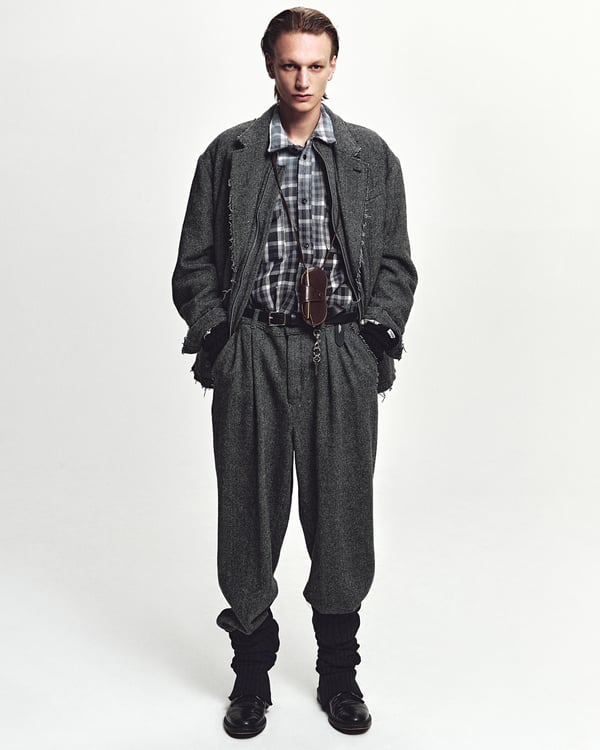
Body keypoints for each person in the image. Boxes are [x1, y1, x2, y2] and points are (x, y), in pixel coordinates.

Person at [172, 6, 417, 739]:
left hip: (340, 350)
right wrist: (219, 334)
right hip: (255, 346)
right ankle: (251, 676)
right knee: (247, 509)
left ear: (333, 66)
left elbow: (396, 262)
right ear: (270, 66)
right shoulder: (231, 153)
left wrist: (376, 332)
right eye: (289, 64)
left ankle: (339, 675)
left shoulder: (370, 156)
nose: (302, 79)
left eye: (315, 64)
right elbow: (194, 263)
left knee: (342, 515)